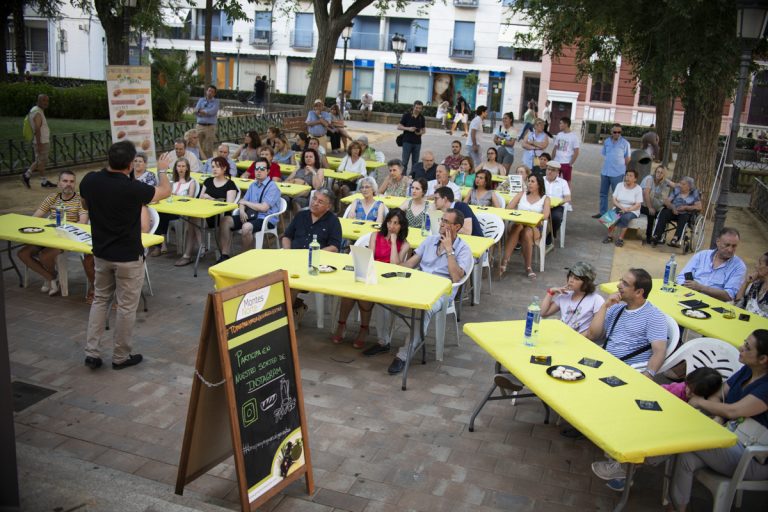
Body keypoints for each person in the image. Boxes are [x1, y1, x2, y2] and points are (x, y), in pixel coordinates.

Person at [80, 141, 171, 370]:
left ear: (108, 159)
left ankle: (92, 352)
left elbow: (85, 203)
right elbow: (165, 191)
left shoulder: (90, 180)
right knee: (126, 307)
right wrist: (161, 169)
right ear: (131, 164)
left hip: (101, 253)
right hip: (128, 257)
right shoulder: (133, 189)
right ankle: (120, 356)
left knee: (100, 300)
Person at [666, 329, 768, 512]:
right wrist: (721, 415)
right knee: (687, 457)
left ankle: (647, 460)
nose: (740, 347)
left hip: (752, 458)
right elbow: (719, 394)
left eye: (747, 347)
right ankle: (677, 508)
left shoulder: (766, 387)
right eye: (744, 342)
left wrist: (702, 403)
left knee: (686, 433)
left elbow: (735, 410)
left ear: (763, 359)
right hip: (730, 438)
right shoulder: (747, 370)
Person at [364, 208, 473, 375]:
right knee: (383, 298)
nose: (442, 224)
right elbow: (411, 264)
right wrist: (391, 268)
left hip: (441, 292)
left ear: (457, 227)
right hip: (417, 284)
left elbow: (457, 277)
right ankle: (383, 341)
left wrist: (450, 250)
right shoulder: (430, 241)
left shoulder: (463, 249)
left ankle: (403, 354)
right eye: (441, 220)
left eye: (446, 222)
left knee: (423, 309)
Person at [592, 367, 724, 490]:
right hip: (656, 418)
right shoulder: (679, 390)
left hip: (671, 433)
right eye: (688, 387)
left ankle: (624, 468)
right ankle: (621, 465)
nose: (688, 392)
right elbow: (658, 397)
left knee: (657, 445)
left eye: (694, 392)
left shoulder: (706, 404)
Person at [333, 209, 411, 349]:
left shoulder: (405, 245)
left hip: (388, 280)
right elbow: (371, 258)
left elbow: (395, 265)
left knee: (364, 296)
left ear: (402, 226)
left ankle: (364, 329)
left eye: (396, 223)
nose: (391, 226)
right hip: (372, 273)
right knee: (348, 293)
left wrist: (393, 243)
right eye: (389, 222)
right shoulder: (375, 236)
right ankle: (341, 325)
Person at [17, 170, 95, 299]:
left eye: (71, 181)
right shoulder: (52, 198)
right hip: (47, 236)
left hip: (66, 238)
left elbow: (83, 223)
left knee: (44, 256)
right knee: (22, 253)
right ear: (59, 183)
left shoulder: (79, 199)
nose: (68, 184)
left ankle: (49, 278)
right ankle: (51, 277)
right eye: (65, 181)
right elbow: (35, 218)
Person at [588, 268, 668, 373]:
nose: (618, 285)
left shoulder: (654, 316)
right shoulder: (616, 308)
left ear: (639, 292)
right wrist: (604, 306)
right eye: (621, 280)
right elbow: (593, 335)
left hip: (626, 371)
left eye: (625, 283)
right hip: (603, 363)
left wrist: (649, 375)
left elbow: (659, 352)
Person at [281, 189, 342, 322]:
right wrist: (287, 251)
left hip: (314, 265)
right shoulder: (301, 215)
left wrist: (314, 254)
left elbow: (335, 247)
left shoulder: (333, 221)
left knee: (290, 285)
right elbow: (287, 236)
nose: (315, 203)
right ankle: (295, 309)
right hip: (292, 259)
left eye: (320, 202)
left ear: (329, 206)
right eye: (314, 199)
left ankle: (286, 322)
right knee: (271, 279)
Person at [175, 156, 238, 266]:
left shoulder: (230, 184)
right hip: (206, 214)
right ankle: (198, 248)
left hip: (220, 216)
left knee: (192, 221)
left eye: (217, 167)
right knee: (192, 219)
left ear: (224, 168)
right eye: (213, 167)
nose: (214, 169)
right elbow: (200, 199)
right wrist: (203, 198)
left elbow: (230, 205)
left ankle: (189, 254)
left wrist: (211, 199)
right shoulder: (208, 181)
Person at [499, 173, 551, 280]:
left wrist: (530, 217)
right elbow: (508, 208)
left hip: (534, 227)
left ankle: (527, 266)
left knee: (527, 232)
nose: (530, 184)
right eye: (529, 181)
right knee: (518, 227)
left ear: (539, 184)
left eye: (533, 181)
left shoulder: (545, 199)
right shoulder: (521, 194)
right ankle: (505, 261)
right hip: (518, 224)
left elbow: (545, 216)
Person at [676, 227, 747, 302]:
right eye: (727, 245)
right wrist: (687, 287)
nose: (730, 250)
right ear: (718, 242)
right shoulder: (702, 255)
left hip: (713, 304)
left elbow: (729, 295)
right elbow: (681, 277)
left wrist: (700, 288)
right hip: (688, 296)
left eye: (734, 246)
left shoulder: (739, 267)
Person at [229, 157, 282, 251]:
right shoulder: (253, 185)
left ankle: (246, 256)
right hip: (250, 215)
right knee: (225, 221)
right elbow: (242, 201)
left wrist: (245, 202)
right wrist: (241, 211)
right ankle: (225, 254)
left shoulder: (272, 187)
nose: (259, 171)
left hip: (266, 218)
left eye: (262, 169)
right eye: (257, 168)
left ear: (268, 171)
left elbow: (263, 208)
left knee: (246, 227)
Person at [540, 262, 604, 337]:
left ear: (586, 283)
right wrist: (551, 292)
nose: (571, 280)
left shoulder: (596, 300)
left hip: (579, 341)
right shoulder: (564, 295)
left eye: (576, 279)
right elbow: (543, 313)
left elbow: (596, 333)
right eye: (570, 276)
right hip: (561, 337)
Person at [151, 157, 197, 256]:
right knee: (158, 215)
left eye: (183, 166)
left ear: (187, 168)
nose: (181, 168)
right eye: (179, 166)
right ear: (175, 168)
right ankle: (161, 244)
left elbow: (191, 197)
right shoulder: (171, 181)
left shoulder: (191, 182)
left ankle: (160, 245)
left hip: (182, 211)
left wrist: (178, 196)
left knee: (162, 216)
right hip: (169, 208)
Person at [651, 176, 702, 248]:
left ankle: (675, 238)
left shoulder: (694, 193)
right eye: (680, 183)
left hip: (685, 212)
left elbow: (699, 207)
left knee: (684, 217)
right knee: (664, 213)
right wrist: (673, 207)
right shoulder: (677, 190)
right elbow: (667, 201)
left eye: (683, 184)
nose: (681, 186)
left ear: (689, 186)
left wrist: (686, 207)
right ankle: (657, 235)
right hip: (673, 210)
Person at [594, 123, 631, 218]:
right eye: (615, 132)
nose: (617, 134)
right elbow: (605, 154)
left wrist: (624, 171)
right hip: (605, 172)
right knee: (603, 194)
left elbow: (627, 159)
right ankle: (602, 213)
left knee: (617, 196)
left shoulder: (625, 143)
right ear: (611, 132)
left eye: (619, 132)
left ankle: (613, 217)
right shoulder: (606, 141)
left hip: (618, 174)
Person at [603, 169, 643, 248]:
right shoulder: (619, 185)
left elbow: (638, 204)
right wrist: (621, 207)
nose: (627, 177)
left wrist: (628, 209)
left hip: (632, 210)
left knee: (625, 217)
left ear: (635, 179)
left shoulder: (638, 188)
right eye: (627, 175)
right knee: (610, 216)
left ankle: (620, 238)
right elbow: (614, 200)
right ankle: (610, 236)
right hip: (619, 206)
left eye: (630, 176)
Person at [22, 94, 56, 188]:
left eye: (47, 101)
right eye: (43, 100)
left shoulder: (35, 110)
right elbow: (37, 128)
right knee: (40, 161)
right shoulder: (37, 112)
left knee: (41, 162)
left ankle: (44, 181)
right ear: (38, 101)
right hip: (42, 142)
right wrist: (39, 143)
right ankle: (26, 175)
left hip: (41, 141)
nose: (46, 103)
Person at [640, 165, 674, 245]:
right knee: (618, 212)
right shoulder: (649, 179)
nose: (659, 174)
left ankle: (655, 237)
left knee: (657, 214)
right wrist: (650, 207)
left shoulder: (663, 181)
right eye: (657, 172)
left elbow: (674, 185)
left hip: (635, 206)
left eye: (661, 173)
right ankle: (606, 226)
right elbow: (646, 193)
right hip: (634, 205)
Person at [543, 161, 571, 245]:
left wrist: (558, 203)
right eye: (548, 169)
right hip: (542, 205)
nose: (549, 172)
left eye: (553, 170)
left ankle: (552, 234)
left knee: (556, 217)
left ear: (558, 172)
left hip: (556, 206)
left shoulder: (563, 182)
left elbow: (568, 198)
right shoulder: (540, 179)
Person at [397, 100, 426, 173]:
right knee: (404, 162)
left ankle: (413, 177)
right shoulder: (406, 115)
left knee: (415, 163)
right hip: (407, 141)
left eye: (420, 108)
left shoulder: (421, 117)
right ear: (413, 107)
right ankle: (403, 177)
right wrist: (408, 129)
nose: (418, 109)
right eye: (416, 108)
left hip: (417, 143)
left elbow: (424, 130)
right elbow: (399, 126)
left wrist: (420, 133)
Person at [737, 252, 768, 318]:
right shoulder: (755, 284)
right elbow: (738, 305)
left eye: (760, 263)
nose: (756, 266)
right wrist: (746, 282)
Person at [551, 116, 580, 183]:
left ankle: (567, 193)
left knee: (566, 182)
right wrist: (552, 160)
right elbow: (555, 148)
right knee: (554, 180)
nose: (559, 125)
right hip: (556, 162)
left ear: (566, 124)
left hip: (566, 163)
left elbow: (577, 152)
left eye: (561, 123)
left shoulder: (574, 137)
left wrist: (570, 163)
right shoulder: (559, 134)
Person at [194, 85, 220, 159]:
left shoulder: (216, 102)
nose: (210, 93)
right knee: (198, 145)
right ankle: (198, 161)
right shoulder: (201, 100)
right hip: (200, 126)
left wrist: (203, 111)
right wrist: (203, 112)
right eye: (209, 91)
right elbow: (196, 111)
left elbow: (213, 111)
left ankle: (209, 162)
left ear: (214, 94)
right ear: (206, 91)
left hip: (210, 127)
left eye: (212, 92)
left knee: (208, 147)